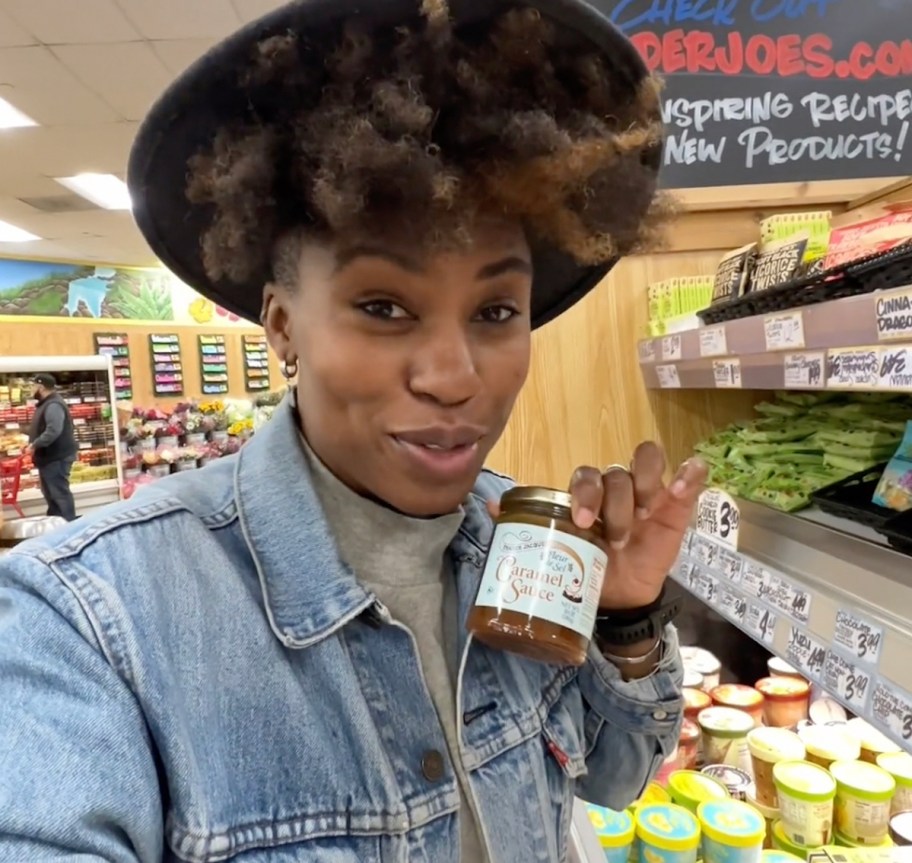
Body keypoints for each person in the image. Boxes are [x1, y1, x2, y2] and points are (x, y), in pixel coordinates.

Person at [0, 1, 708, 860]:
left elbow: (611, 777)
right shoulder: (90, 621)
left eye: (495, 309)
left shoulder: (521, 541)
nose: (453, 377)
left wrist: (626, 622)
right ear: (282, 325)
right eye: (382, 306)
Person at [25, 372, 78, 521]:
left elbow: (53, 430)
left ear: (40, 387)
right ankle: (56, 524)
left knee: (59, 494)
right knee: (51, 494)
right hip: (49, 458)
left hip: (57, 457)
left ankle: (68, 526)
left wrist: (35, 444)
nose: (31, 389)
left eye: (33, 385)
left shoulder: (53, 404)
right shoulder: (46, 404)